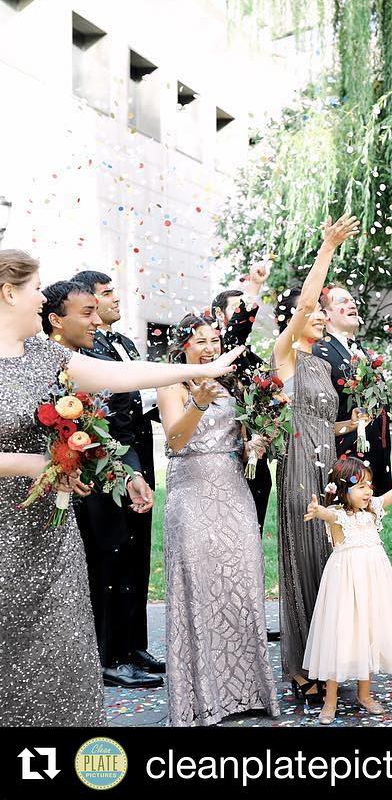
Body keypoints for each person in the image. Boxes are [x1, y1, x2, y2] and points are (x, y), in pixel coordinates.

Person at [0, 249, 242, 726]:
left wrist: (199, 370)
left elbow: (120, 375)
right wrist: (37, 463)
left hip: (51, 537)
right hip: (5, 537)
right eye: (33, 290)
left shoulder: (46, 356)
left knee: (62, 650)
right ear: (8, 293)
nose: (39, 299)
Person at [157, 315, 278, 726]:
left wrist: (256, 445)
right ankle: (202, 699)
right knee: (198, 585)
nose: (210, 347)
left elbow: (240, 444)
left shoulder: (235, 385)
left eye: (215, 340)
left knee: (240, 584)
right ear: (183, 347)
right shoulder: (172, 383)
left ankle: (247, 692)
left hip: (233, 492)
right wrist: (199, 402)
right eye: (200, 341)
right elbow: (175, 441)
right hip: (191, 492)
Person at [40, 281, 161, 689]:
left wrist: (131, 473)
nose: (95, 320)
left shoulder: (92, 356)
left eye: (97, 311)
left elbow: (112, 425)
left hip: (108, 471)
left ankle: (123, 648)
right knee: (98, 566)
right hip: (70, 484)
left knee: (120, 560)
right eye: (87, 311)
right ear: (56, 319)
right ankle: (104, 653)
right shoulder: (46, 362)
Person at [272, 214, 364, 704]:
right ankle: (301, 666)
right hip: (298, 471)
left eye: (322, 317)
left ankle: (331, 657)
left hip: (326, 462)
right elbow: (308, 299)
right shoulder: (284, 355)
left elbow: (319, 420)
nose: (320, 317)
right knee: (307, 557)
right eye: (314, 315)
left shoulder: (322, 365)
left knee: (332, 560)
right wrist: (327, 247)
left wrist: (350, 426)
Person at [302, 458, 392, 722]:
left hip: (373, 582)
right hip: (345, 583)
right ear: (343, 490)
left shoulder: (373, 509)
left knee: (368, 631)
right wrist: (318, 510)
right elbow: (327, 514)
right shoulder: (338, 515)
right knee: (342, 633)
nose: (368, 490)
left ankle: (365, 693)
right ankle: (331, 699)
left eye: (369, 484)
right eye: (360, 486)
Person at [212, 259, 273, 537]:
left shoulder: (254, 360)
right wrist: (255, 287)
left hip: (256, 460)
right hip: (223, 460)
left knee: (253, 535)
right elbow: (236, 332)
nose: (242, 319)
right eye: (236, 311)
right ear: (218, 315)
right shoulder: (213, 355)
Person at [313, 283, 392, 494]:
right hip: (346, 456)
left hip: (376, 451)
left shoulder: (361, 351)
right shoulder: (319, 351)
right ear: (326, 314)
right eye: (342, 301)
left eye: (352, 300)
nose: (352, 304)